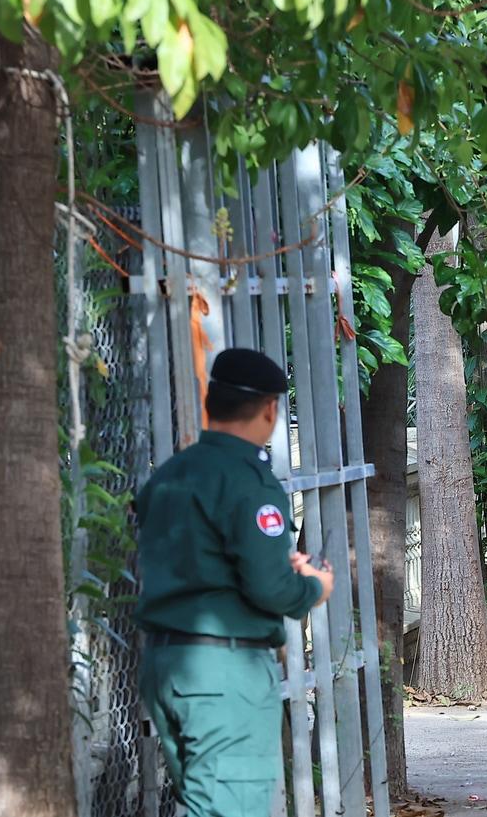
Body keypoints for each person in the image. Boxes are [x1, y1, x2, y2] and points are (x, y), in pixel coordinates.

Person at [135, 348, 334, 816]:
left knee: (203, 804)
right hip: (222, 672)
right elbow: (270, 588)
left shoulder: (169, 475)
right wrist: (312, 588)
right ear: (270, 408)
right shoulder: (249, 481)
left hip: (166, 662)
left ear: (212, 402)